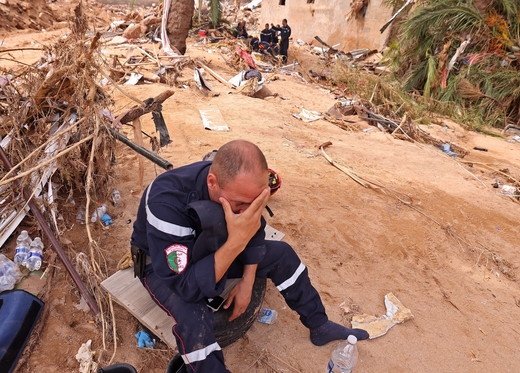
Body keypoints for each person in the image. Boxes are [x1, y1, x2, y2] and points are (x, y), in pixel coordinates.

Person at [130, 140, 368, 372]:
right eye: (241, 204)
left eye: (255, 203)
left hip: (213, 247)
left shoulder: (239, 192)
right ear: (212, 183)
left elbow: (254, 228)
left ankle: (319, 324)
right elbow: (187, 286)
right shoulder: (165, 202)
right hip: (164, 268)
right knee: (194, 316)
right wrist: (235, 242)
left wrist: (248, 279)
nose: (247, 212)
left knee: (282, 254)